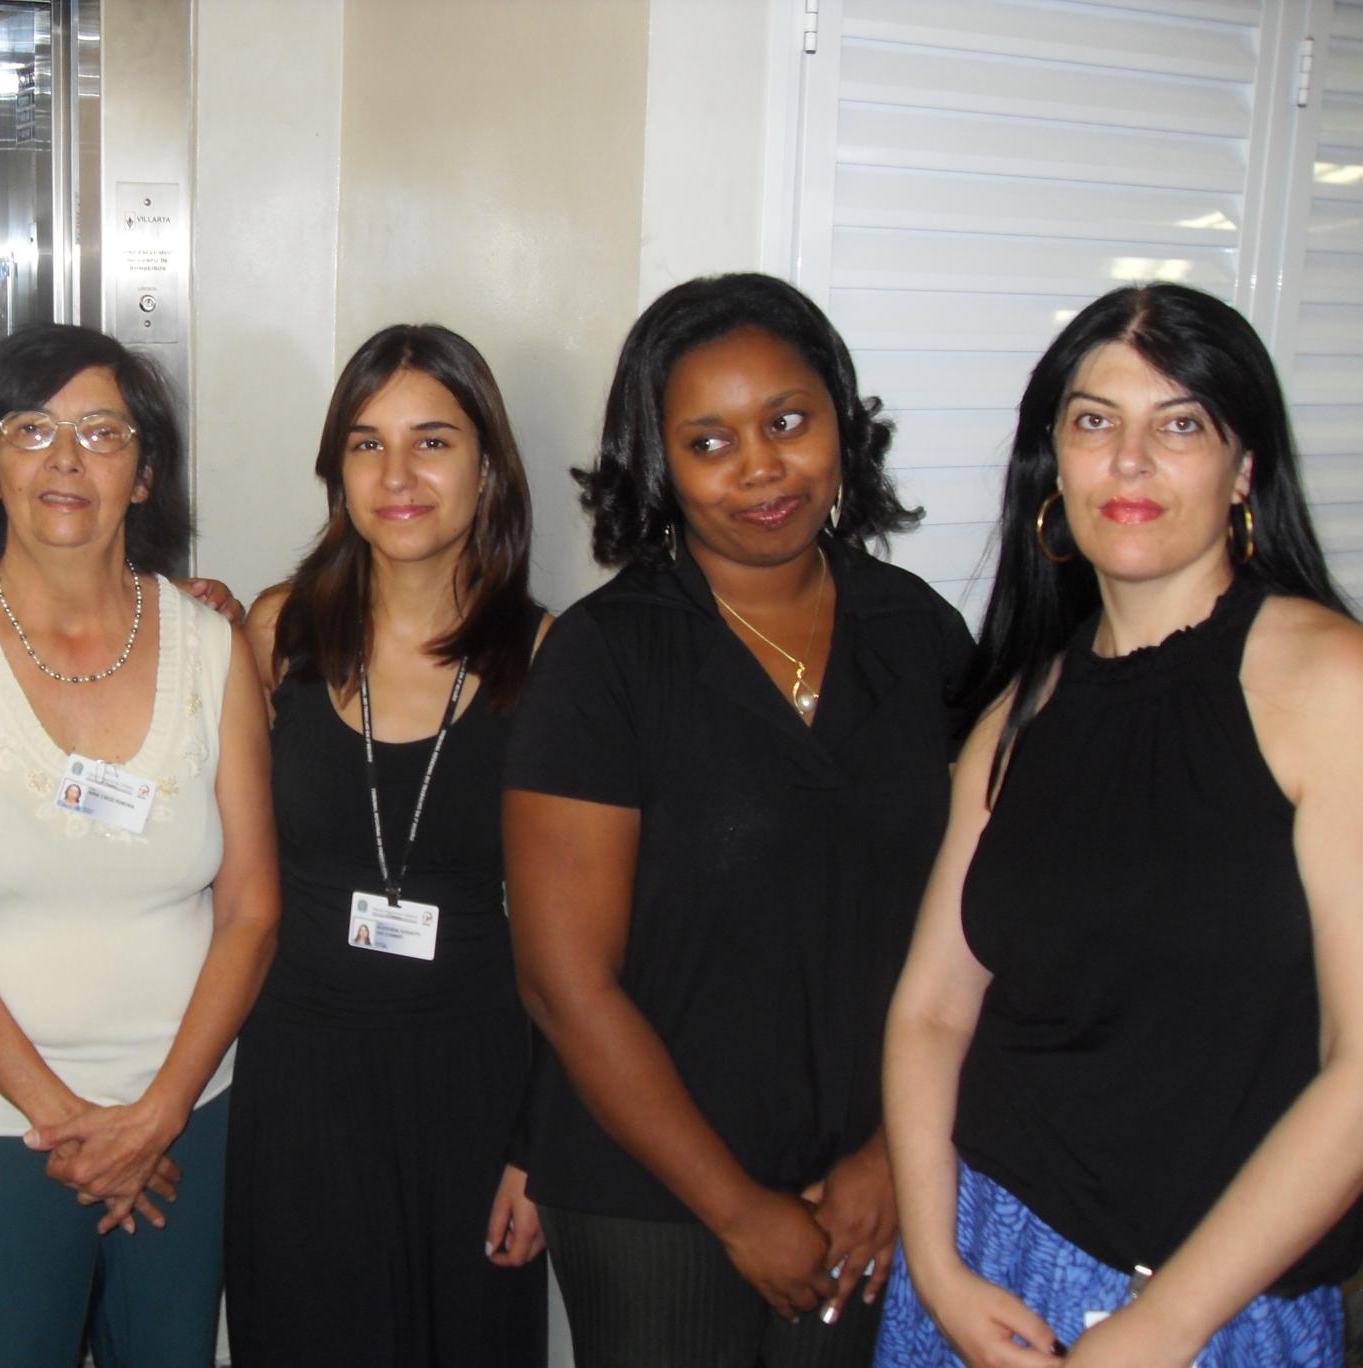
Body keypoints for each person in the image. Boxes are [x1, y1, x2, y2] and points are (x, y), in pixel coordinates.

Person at [878, 283, 1363, 1367]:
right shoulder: (1016, 714)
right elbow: (934, 1010)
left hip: (1214, 1308)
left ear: (1245, 469)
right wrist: (937, 1266)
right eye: (1095, 422)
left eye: (1180, 425)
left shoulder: (1332, 687)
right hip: (981, 1269)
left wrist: (1164, 1325)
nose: (1130, 462)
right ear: (1054, 462)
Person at [503, 273, 973, 1367]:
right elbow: (566, 986)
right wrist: (736, 1209)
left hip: (869, 1181)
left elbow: (977, 924)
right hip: (653, 1194)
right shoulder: (604, 659)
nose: (760, 468)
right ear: (659, 463)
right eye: (709, 443)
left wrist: (893, 1156)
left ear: (841, 424)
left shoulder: (921, 635)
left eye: (788, 422)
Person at [0, 322, 279, 1368]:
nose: (65, 459)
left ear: (145, 475)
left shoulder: (212, 645)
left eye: (102, 432)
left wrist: (157, 1116)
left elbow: (252, 909)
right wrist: (65, 1122)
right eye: (31, 429)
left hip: (185, 1114)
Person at [224, 324, 549, 1367]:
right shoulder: (278, 632)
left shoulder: (548, 658)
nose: (397, 476)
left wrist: (539, 1147)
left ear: (488, 465)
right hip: (298, 1080)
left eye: (432, 442)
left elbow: (583, 940)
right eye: (368, 445)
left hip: (473, 1083)